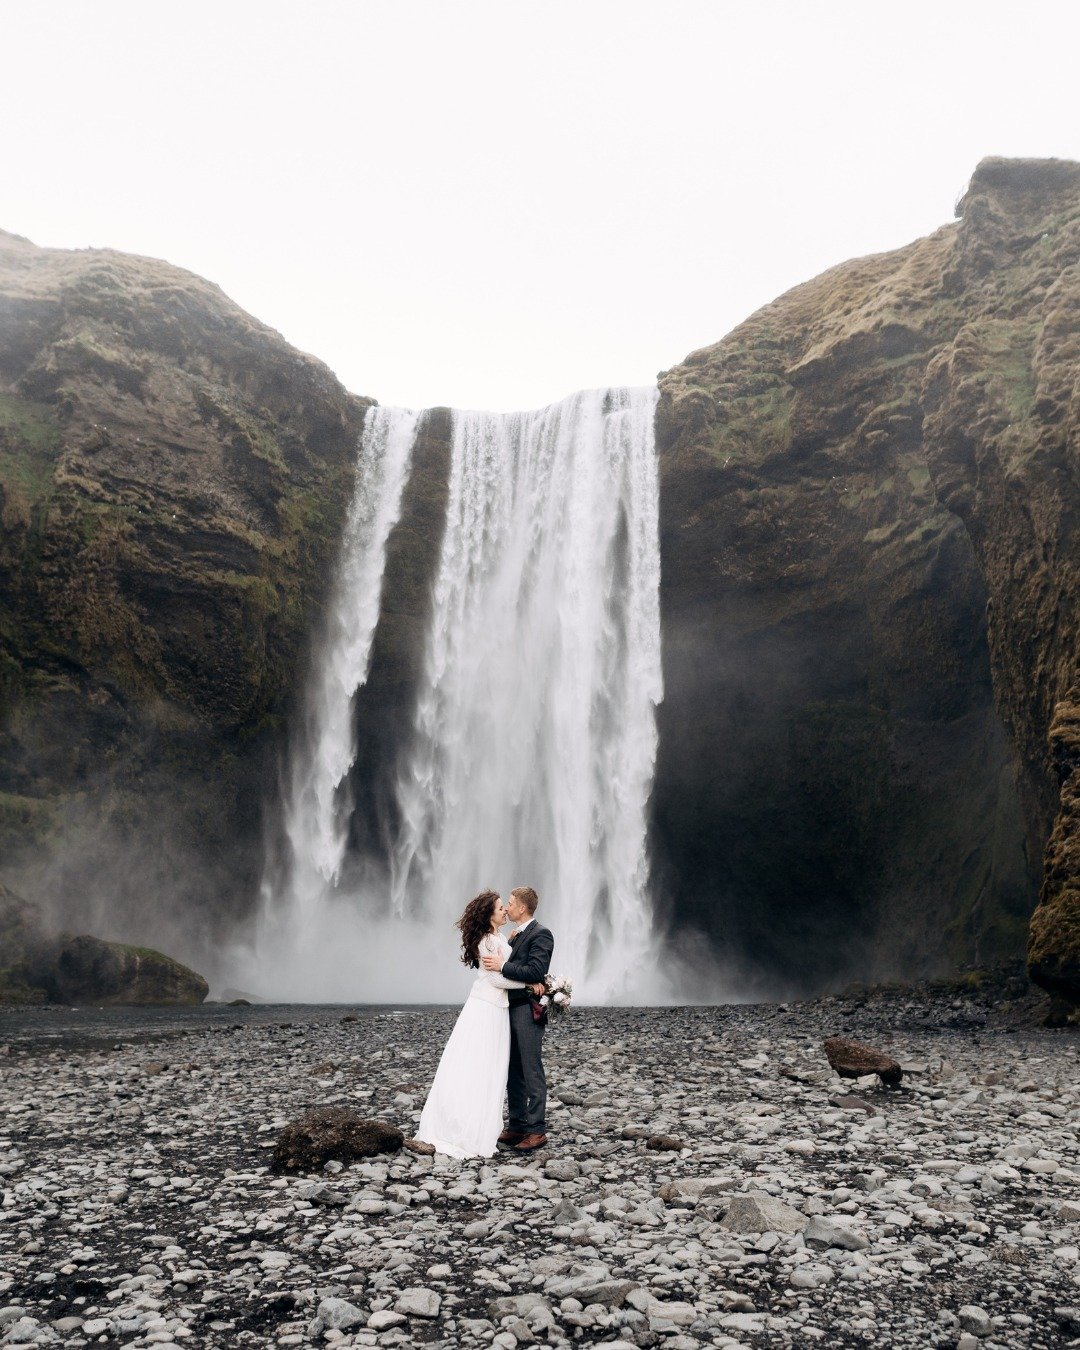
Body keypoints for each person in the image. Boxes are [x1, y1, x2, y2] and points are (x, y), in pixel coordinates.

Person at [414, 890, 528, 1158]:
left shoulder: (499, 938)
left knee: (488, 1066)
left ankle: (478, 1123)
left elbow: (503, 966)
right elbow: (496, 980)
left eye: (505, 906)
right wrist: (532, 984)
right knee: (479, 1065)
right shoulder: (488, 942)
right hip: (486, 1008)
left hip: (496, 1008)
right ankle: (467, 1127)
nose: (504, 911)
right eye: (500, 907)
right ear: (488, 915)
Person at [481, 885, 554, 1152]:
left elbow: (536, 970)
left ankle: (536, 1130)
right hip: (508, 1007)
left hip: (527, 1009)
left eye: (510, 903)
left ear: (522, 908)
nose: (506, 907)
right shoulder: (514, 937)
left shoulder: (542, 934)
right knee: (513, 1069)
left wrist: (503, 966)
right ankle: (517, 1124)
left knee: (531, 1068)